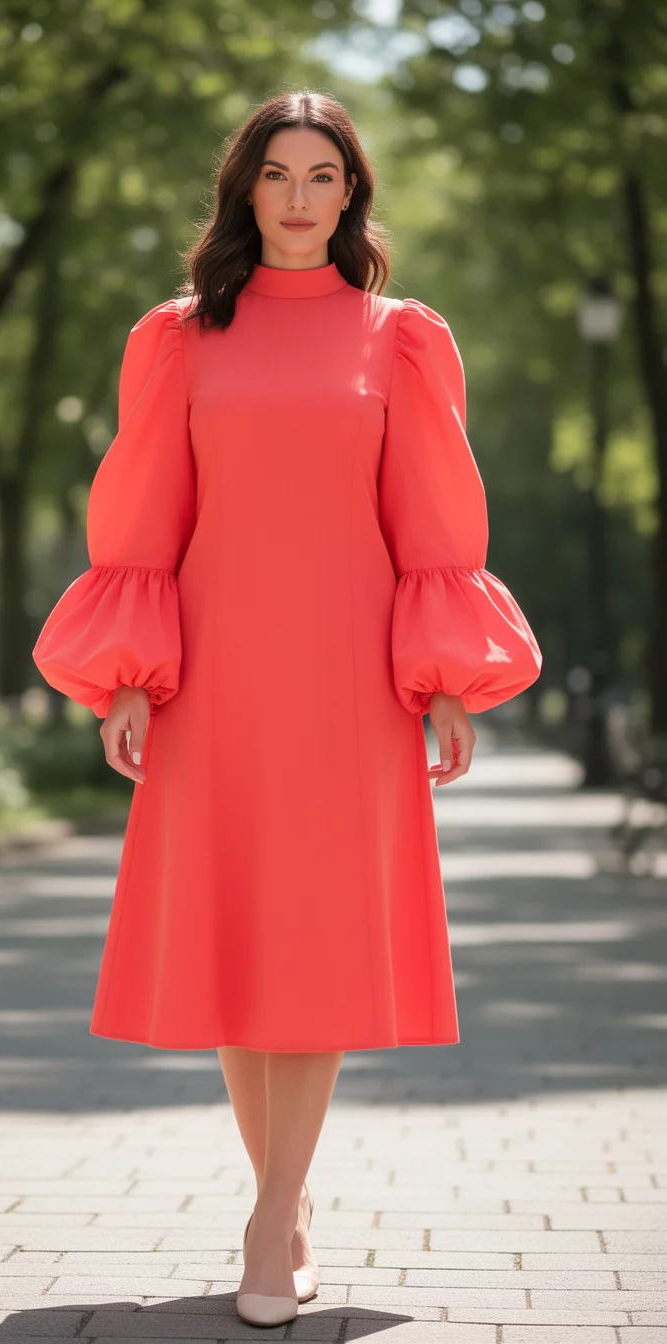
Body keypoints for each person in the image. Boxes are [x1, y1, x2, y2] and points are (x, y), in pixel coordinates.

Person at [32, 89, 542, 1327]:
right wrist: (127, 677)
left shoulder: (401, 337)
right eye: (279, 175)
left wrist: (444, 680)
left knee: (313, 937)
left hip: (348, 678)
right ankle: (288, 1202)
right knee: (237, 936)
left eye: (325, 177)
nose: (302, 199)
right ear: (245, 190)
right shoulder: (176, 338)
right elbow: (146, 512)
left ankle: (274, 1216)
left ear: (352, 193)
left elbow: (430, 517)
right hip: (215, 672)